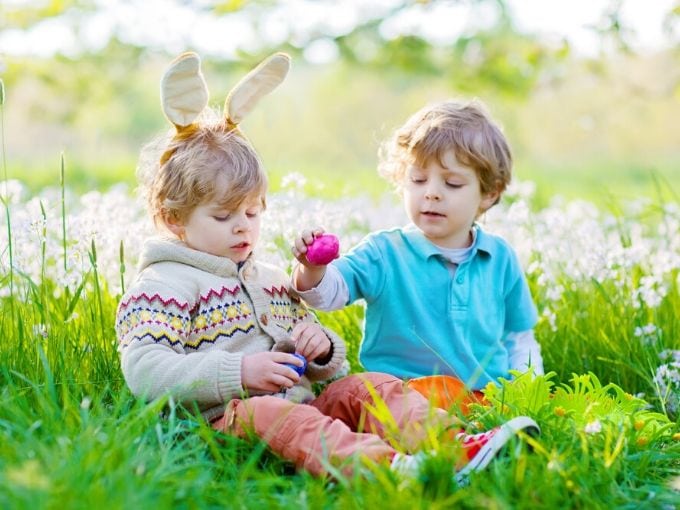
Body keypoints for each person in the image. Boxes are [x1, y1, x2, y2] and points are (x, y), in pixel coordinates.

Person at [116, 53, 539, 481]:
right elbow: (144, 369)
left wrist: (321, 347)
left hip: (302, 407)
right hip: (224, 422)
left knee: (365, 385)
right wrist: (239, 372)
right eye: (223, 217)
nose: (242, 227)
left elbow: (329, 370)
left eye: (252, 212)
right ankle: (389, 468)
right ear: (174, 218)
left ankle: (454, 447)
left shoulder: (269, 281)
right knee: (269, 411)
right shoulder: (164, 283)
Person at [292, 99, 544, 409]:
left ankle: (471, 440)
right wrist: (313, 268)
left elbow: (518, 338)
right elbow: (327, 296)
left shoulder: (500, 258)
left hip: (480, 399)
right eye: (418, 179)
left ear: (488, 194)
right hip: (401, 396)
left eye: (452, 183)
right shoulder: (385, 253)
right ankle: (450, 444)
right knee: (356, 391)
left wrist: (527, 394)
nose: (432, 192)